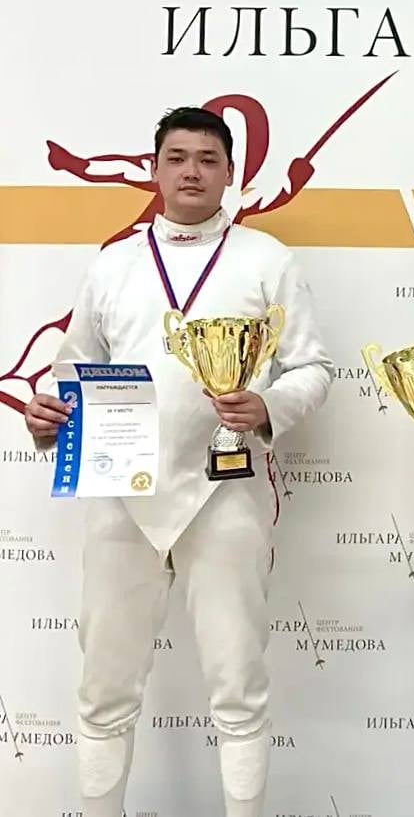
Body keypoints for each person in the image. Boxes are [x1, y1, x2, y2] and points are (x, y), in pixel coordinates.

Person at [23, 107, 333, 817]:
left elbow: (313, 367)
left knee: (238, 686)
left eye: (208, 159)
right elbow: (72, 374)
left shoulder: (266, 259)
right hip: (121, 496)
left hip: (227, 495)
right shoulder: (115, 263)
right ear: (155, 168)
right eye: (178, 157)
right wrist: (48, 421)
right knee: (104, 687)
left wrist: (267, 406)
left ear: (231, 173)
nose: (192, 171)